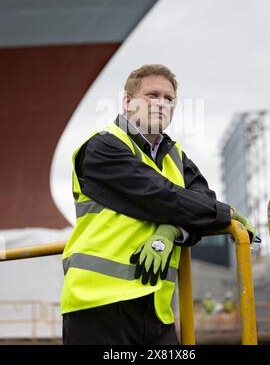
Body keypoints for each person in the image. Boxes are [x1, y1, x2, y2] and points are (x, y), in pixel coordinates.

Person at [61, 63, 257, 345]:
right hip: (97, 304)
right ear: (128, 103)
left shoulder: (175, 155)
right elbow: (161, 196)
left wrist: (172, 232)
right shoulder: (103, 146)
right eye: (152, 95)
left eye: (169, 99)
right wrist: (226, 213)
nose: (161, 103)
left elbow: (201, 205)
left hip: (156, 308)